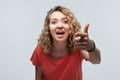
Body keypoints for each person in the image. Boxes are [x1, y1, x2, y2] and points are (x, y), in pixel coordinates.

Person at [30, 5, 101, 80]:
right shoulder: (40, 50)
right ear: (48, 28)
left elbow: (97, 60)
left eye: (65, 22)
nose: (60, 26)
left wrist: (91, 47)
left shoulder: (78, 45)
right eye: (54, 22)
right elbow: (38, 77)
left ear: (71, 27)